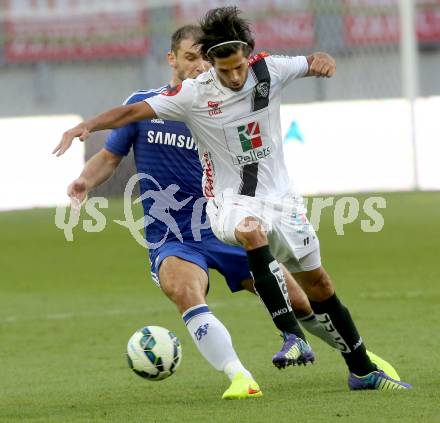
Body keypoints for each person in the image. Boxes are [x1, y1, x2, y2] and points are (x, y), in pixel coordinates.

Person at [54, 10, 410, 391]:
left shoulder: (252, 79)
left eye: (203, 59)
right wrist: (84, 161)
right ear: (173, 59)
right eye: (191, 58)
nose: (202, 67)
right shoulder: (176, 100)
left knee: (307, 296)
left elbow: (303, 63)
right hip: (184, 227)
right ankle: (243, 374)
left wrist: (319, 60)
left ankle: (359, 360)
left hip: (249, 210)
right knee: (188, 290)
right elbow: (112, 150)